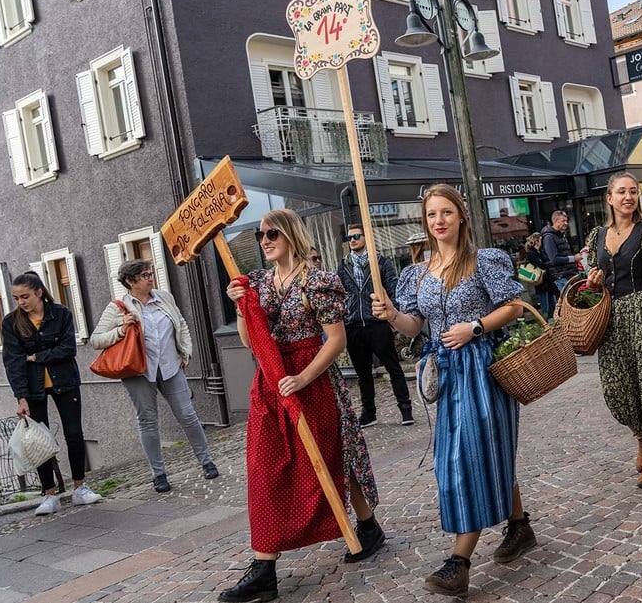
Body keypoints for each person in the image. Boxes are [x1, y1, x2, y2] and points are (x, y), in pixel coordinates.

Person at [371, 184, 533, 598]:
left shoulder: (482, 261)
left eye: (446, 212)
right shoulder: (418, 273)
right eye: (431, 214)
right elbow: (414, 326)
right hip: (446, 374)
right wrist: (392, 314)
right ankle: (519, 525)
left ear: (461, 216)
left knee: (471, 456)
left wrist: (475, 327)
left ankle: (459, 563)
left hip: (483, 369)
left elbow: (514, 306)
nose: (439, 220)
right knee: (477, 453)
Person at [219, 209, 383, 602]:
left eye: (272, 233)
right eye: (260, 235)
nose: (265, 241)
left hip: (313, 381)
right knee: (266, 468)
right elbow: (250, 341)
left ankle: (368, 526)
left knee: (333, 457)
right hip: (271, 382)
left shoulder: (318, 281)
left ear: (291, 234)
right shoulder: (258, 283)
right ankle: (264, 568)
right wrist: (242, 308)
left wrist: (304, 378)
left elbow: (336, 340)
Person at [90, 260, 218, 494]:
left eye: (151, 273)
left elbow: (181, 324)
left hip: (170, 366)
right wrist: (121, 329)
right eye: (144, 275)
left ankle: (207, 461)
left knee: (188, 415)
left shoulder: (164, 298)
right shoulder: (118, 307)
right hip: (138, 371)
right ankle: (159, 474)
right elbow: (96, 340)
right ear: (130, 281)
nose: (150, 278)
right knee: (147, 421)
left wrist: (186, 353)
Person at [583, 172, 642, 488]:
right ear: (609, 198)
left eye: (633, 192)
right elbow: (592, 279)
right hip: (610, 318)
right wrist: (592, 281)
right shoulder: (597, 235)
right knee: (616, 389)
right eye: (621, 192)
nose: (628, 197)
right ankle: (640, 435)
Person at [1, 272, 103, 515]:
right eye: (16, 298)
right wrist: (21, 397)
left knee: (74, 433)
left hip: (65, 382)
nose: (21, 302)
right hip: (32, 388)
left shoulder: (61, 314)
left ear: (39, 292)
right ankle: (49, 495)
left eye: (25, 296)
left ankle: (80, 488)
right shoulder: (11, 322)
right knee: (39, 439)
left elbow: (68, 349)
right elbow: (13, 362)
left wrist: (36, 356)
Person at [337, 223, 413, 427]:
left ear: (366, 237)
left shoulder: (381, 262)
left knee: (393, 368)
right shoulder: (343, 266)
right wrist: (344, 319)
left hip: (378, 324)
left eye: (356, 236)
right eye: (349, 238)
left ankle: (406, 409)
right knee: (363, 375)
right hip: (353, 325)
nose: (352, 240)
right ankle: (369, 413)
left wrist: (392, 318)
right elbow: (339, 295)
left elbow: (394, 289)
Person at [541, 210, 581, 297]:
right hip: (560, 277)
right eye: (563, 221)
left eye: (566, 220)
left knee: (574, 300)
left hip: (567, 275)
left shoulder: (561, 235)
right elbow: (554, 259)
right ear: (556, 221)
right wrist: (573, 258)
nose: (566, 223)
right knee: (568, 301)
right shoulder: (549, 237)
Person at [523, 232, 557, 317]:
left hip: (546, 282)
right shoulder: (532, 253)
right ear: (537, 241)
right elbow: (541, 265)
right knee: (546, 306)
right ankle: (545, 321)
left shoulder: (539, 251)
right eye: (541, 240)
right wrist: (549, 263)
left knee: (552, 304)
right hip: (541, 283)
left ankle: (551, 319)